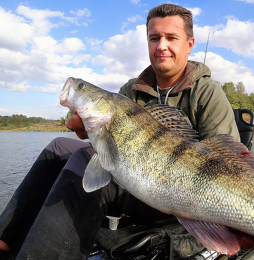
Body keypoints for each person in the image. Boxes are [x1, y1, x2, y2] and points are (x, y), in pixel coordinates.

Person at [0, 4, 240, 259]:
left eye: (171, 38)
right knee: (58, 148)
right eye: (154, 38)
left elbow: (230, 166)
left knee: (86, 161)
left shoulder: (207, 93)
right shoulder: (132, 90)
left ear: (189, 44)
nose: (161, 45)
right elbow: (108, 141)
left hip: (175, 195)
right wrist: (86, 130)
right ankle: (6, 242)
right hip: (134, 180)